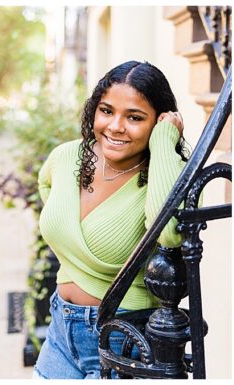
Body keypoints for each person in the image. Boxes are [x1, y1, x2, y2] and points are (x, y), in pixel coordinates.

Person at [34, 61, 189, 378]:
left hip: (122, 340)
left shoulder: (163, 171)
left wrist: (163, 142)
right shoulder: (68, 156)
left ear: (156, 122)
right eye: (106, 111)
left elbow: (170, 233)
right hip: (60, 330)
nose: (116, 126)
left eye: (134, 117)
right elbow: (44, 182)